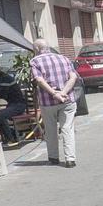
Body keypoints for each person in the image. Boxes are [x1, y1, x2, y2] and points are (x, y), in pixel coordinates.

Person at [28, 38, 80, 168]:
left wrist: (54, 94)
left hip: (48, 102)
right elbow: (73, 77)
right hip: (68, 100)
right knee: (67, 128)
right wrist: (63, 92)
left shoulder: (35, 61)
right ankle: (70, 159)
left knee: (50, 130)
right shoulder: (64, 58)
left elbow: (39, 80)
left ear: (37, 50)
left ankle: (53, 157)